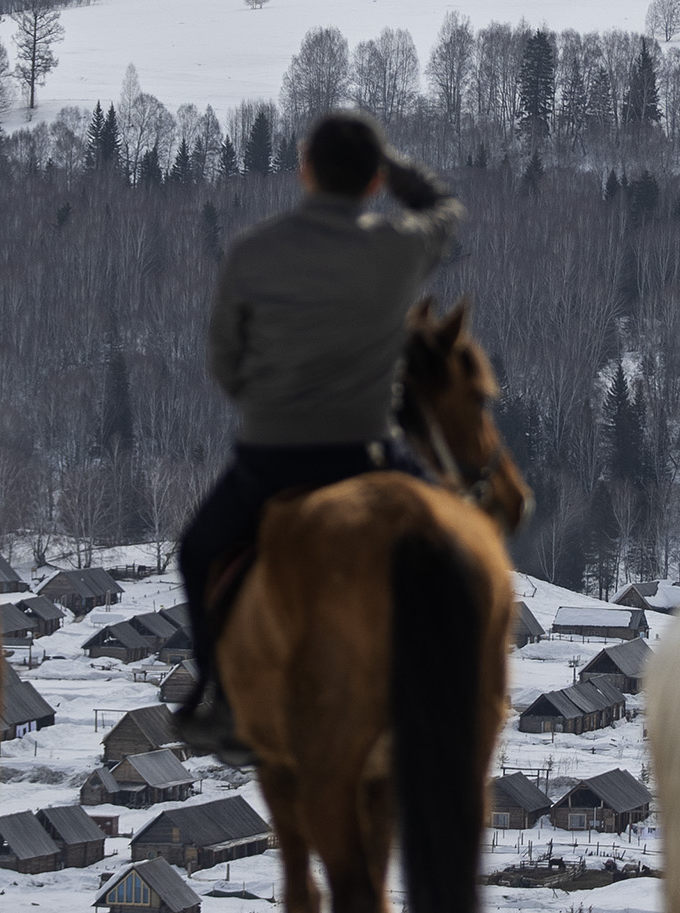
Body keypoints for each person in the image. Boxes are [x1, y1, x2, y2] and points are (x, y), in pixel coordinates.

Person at [166, 109, 463, 764]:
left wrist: (268, 405)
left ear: (304, 169)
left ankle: (222, 699)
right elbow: (443, 207)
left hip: (268, 458)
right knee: (456, 545)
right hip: (366, 455)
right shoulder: (395, 248)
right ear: (372, 180)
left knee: (196, 550)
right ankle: (449, 687)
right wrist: (399, 170)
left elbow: (224, 362)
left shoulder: (252, 251)